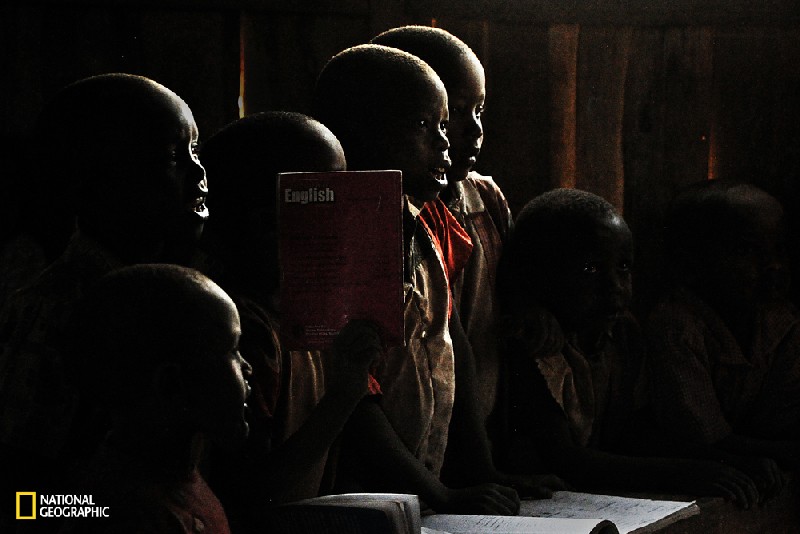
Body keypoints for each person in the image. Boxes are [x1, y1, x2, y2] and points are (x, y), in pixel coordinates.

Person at [312, 43, 563, 514]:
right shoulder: (341, 247)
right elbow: (356, 398)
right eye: (425, 126)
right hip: (361, 496)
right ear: (361, 134)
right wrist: (439, 492)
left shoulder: (428, 225)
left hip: (426, 484)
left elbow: (454, 342)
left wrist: (482, 471)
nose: (445, 143)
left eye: (444, 126)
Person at [0, 73, 209, 523]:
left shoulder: (168, 291)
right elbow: (23, 496)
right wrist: (115, 514)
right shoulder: (60, 309)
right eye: (174, 157)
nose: (199, 174)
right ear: (95, 180)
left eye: (196, 151)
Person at [497, 188, 768, 509]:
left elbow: (631, 431)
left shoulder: (621, 335)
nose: (614, 286)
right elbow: (567, 460)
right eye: (590, 269)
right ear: (542, 275)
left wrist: (723, 459)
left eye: (623, 267)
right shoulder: (534, 346)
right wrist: (684, 473)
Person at [198, 111, 383, 529]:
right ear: (266, 223)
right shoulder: (247, 332)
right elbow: (249, 490)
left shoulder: (308, 313)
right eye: (330, 201)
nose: (347, 218)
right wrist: (341, 399)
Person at [371, 26, 512, 427]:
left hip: (476, 418)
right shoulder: (401, 219)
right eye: (453, 115)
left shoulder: (486, 200)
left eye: (479, 111)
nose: (473, 129)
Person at [62, 264, 250, 534]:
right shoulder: (132, 518)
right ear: (171, 384)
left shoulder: (178, 481)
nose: (247, 367)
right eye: (233, 350)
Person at [646, 180, 800, 490]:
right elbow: (701, 439)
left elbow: (779, 421)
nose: (773, 265)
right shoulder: (678, 327)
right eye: (747, 250)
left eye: (778, 249)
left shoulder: (780, 321)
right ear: (692, 263)